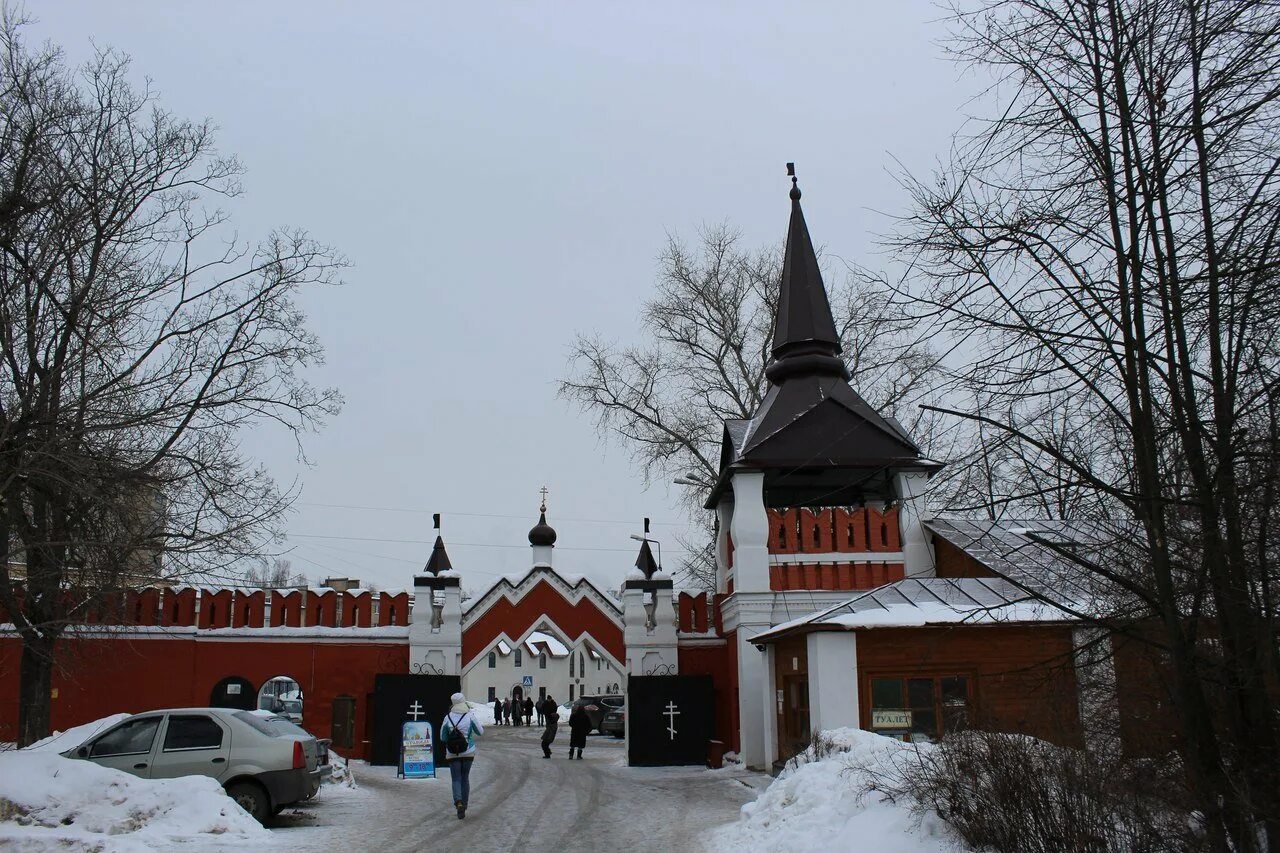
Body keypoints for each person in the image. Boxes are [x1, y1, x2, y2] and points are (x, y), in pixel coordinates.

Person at [440, 692, 484, 820]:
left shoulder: (447, 717)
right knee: (465, 778)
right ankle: (464, 805)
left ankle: (458, 802)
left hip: (452, 753)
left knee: (456, 779)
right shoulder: (469, 715)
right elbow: (480, 732)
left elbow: (442, 737)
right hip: (468, 751)